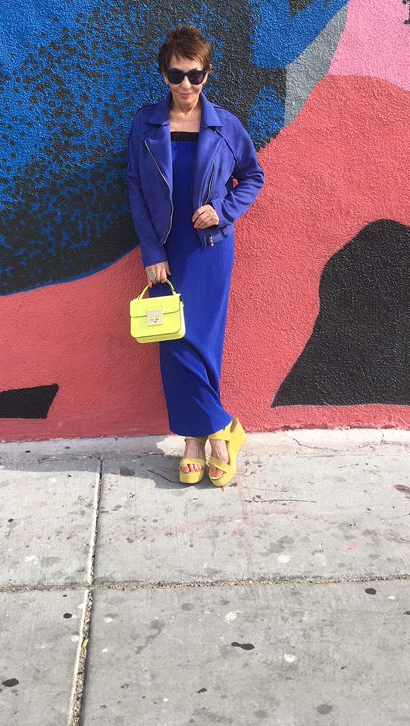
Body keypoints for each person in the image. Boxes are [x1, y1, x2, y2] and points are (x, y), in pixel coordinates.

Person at [127, 25, 264, 485]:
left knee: (204, 342)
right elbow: (135, 191)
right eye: (176, 74)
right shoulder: (145, 124)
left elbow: (252, 177)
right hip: (167, 251)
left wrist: (222, 212)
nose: (186, 85)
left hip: (210, 251)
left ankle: (203, 438)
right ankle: (212, 432)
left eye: (195, 75)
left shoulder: (226, 126)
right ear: (163, 74)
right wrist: (151, 251)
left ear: (208, 74)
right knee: (174, 342)